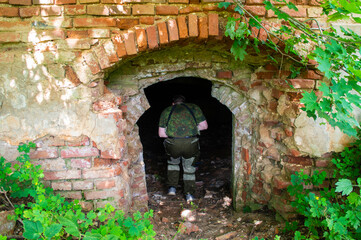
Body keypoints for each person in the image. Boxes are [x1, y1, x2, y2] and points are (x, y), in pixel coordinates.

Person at [158, 95, 208, 202]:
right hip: (190, 143)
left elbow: (161, 134)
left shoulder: (167, 111)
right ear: (184, 102)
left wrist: (175, 136)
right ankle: (189, 195)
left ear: (173, 103)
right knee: (189, 168)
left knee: (173, 164)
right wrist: (191, 130)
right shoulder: (194, 108)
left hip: (173, 144)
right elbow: (204, 126)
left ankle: (172, 188)